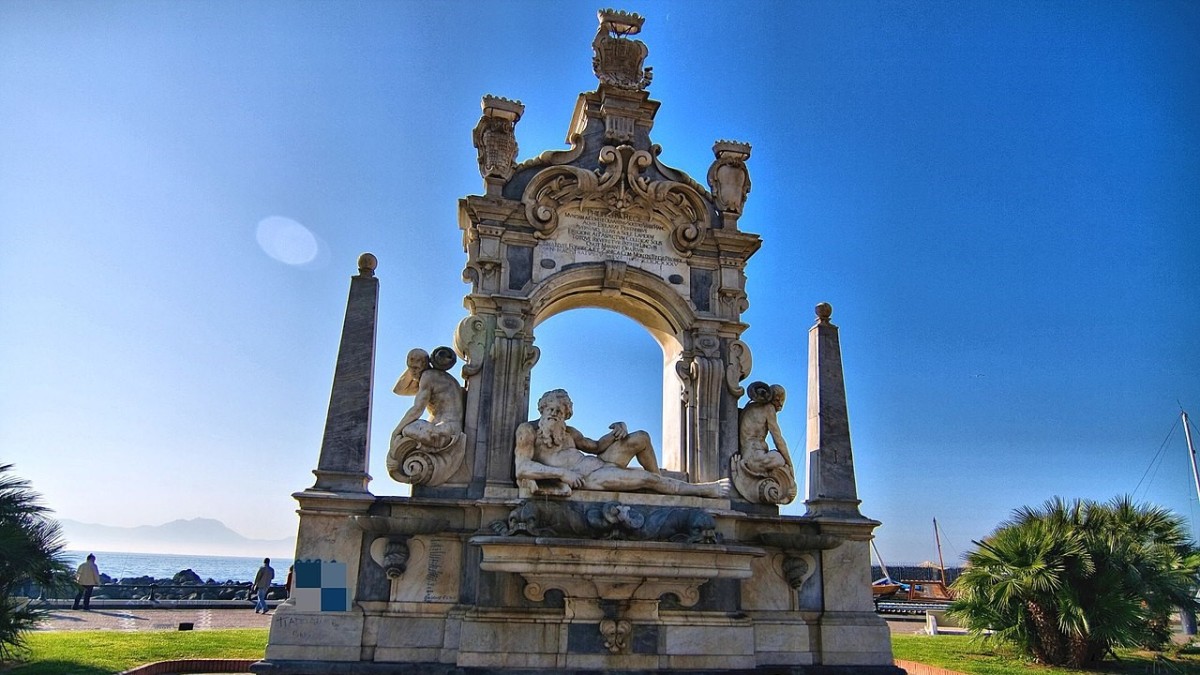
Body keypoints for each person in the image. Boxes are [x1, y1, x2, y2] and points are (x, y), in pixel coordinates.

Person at [514, 389, 729, 498]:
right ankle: (701, 491)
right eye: (550, 409)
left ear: (566, 415)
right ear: (541, 409)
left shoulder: (569, 432)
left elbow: (596, 446)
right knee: (646, 478)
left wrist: (617, 431)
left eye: (559, 411)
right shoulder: (528, 431)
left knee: (641, 437)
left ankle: (661, 483)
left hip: (600, 462)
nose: (554, 413)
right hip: (590, 478)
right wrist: (562, 474)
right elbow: (522, 468)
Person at [392, 347, 465, 451]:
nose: (413, 372)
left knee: (407, 430)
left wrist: (395, 432)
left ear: (425, 364)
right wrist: (414, 366)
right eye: (410, 368)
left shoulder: (428, 376)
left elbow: (417, 409)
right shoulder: (437, 377)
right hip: (449, 428)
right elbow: (399, 390)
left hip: (447, 430)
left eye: (416, 368)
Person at [737, 383, 793, 474]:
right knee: (780, 459)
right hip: (755, 457)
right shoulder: (769, 408)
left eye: (782, 401)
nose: (780, 405)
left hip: (747, 454)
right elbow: (778, 439)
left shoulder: (749, 406)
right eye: (778, 400)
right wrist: (790, 464)